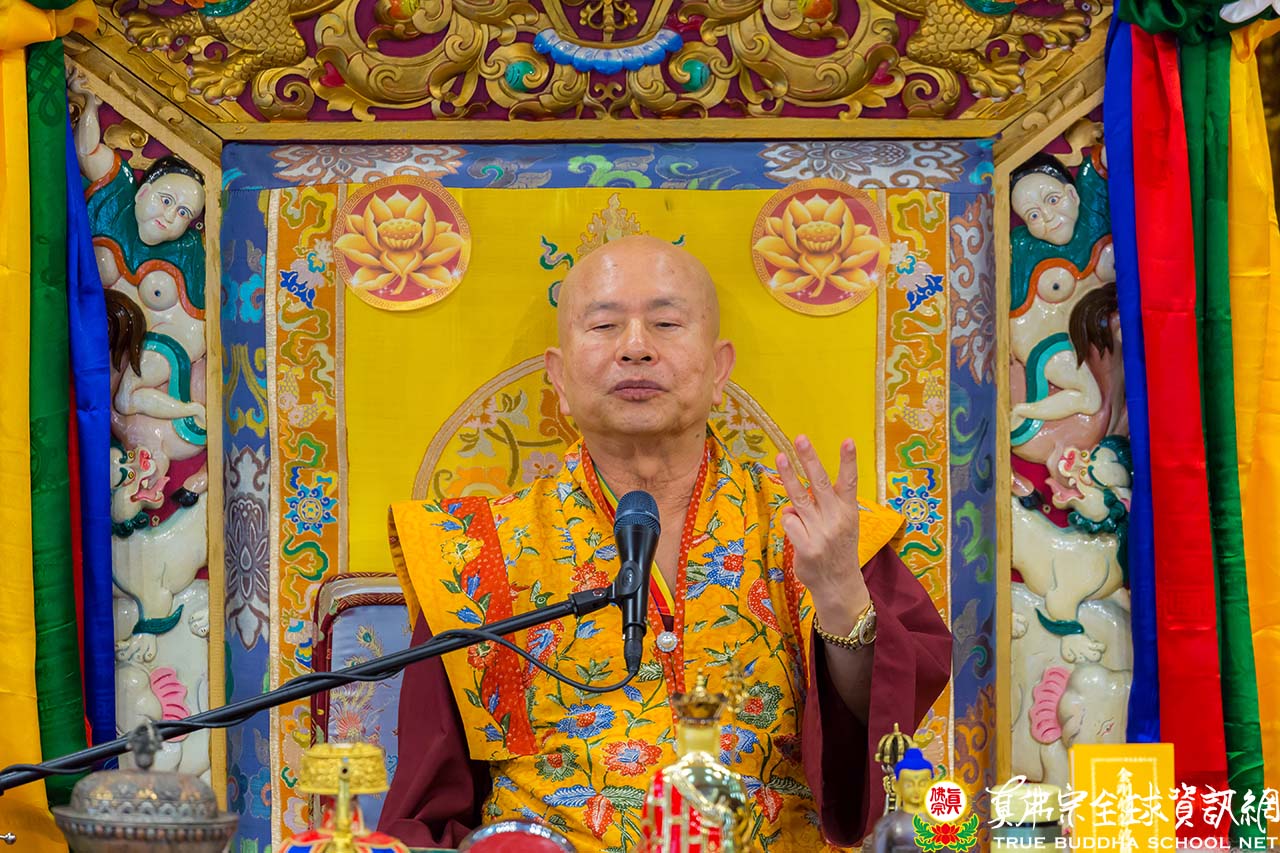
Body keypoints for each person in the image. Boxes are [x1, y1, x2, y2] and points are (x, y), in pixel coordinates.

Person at [379, 235, 952, 851]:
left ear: (719, 369)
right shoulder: (470, 550)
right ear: (559, 378)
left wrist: (841, 597)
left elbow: (885, 738)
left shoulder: (815, 532)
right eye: (604, 325)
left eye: (667, 323)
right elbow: (427, 808)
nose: (635, 347)